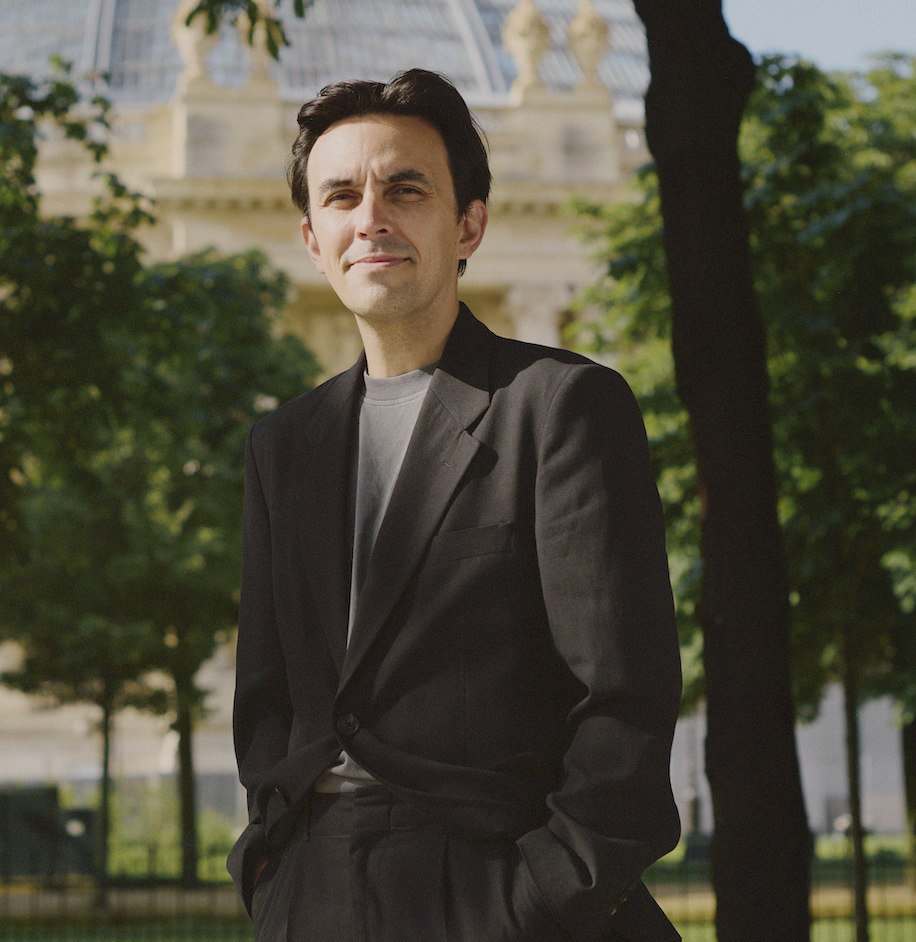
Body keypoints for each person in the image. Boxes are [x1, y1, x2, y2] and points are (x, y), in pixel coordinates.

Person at [227, 68, 682, 942]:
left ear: (469, 222)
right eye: (342, 196)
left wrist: (542, 897)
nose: (372, 217)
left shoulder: (561, 405)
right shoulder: (282, 446)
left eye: (406, 189)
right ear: (314, 239)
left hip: (494, 883)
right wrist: (271, 867)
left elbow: (622, 693)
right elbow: (268, 698)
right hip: (315, 887)